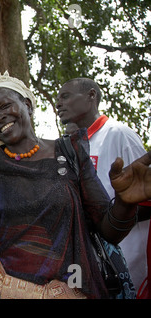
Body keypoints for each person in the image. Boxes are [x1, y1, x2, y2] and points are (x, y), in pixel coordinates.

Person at [0, 23, 151, 299]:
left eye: (6, 106)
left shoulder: (70, 151)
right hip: (5, 292)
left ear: (28, 105)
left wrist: (126, 203)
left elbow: (109, 230)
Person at [56, 77, 151, 292]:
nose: (58, 104)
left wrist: (112, 217)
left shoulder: (118, 134)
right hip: (90, 264)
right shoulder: (71, 146)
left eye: (65, 96)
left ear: (91, 96)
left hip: (125, 262)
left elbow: (145, 200)